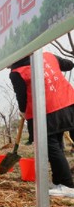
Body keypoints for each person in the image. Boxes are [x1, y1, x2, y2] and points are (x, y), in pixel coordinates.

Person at [9, 52, 74, 198]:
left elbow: (22, 96)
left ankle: (67, 185)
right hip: (68, 104)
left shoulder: (16, 72)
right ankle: (59, 182)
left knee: (50, 147)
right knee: (56, 145)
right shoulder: (47, 55)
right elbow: (69, 65)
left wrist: (23, 112)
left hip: (45, 111)